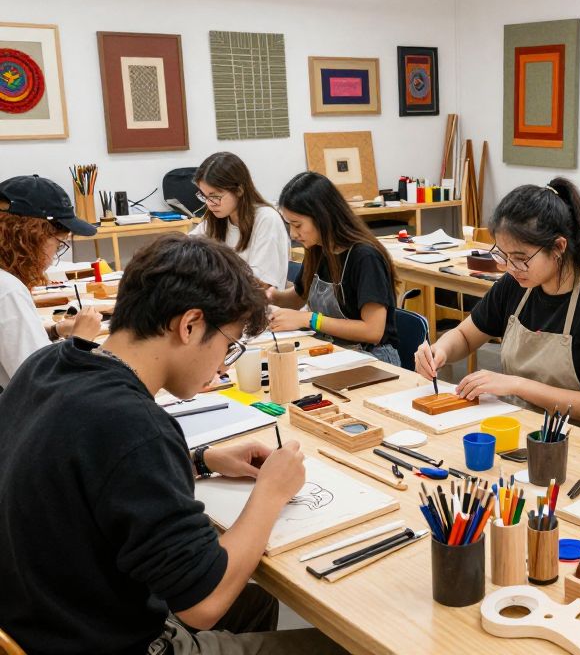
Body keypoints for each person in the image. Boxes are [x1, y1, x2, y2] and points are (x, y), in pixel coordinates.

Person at [0, 234, 343, 654]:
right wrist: (271, 492)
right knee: (342, 646)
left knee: (255, 602)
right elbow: (205, 603)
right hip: (101, 638)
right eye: (228, 346)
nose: (221, 366)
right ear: (190, 324)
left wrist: (199, 460)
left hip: (38, 616)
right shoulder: (136, 424)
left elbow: (89, 464)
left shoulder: (49, 363)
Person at [415, 178, 580, 439]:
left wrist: (518, 385)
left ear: (558, 247)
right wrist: (439, 350)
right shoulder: (515, 285)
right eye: (503, 256)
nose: (510, 268)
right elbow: (464, 335)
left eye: (521, 259)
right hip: (519, 427)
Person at [268, 171, 400, 365]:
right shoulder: (318, 248)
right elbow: (298, 297)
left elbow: (373, 331)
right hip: (335, 350)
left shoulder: (365, 257)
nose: (293, 234)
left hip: (374, 357)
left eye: (297, 225)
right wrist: (270, 296)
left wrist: (310, 320)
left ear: (322, 216)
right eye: (289, 225)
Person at [0, 175, 102, 390]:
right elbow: (44, 383)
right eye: (59, 244)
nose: (55, 255)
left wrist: (54, 330)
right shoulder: (7, 289)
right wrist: (80, 341)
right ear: (30, 236)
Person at [191, 152, 290, 289]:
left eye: (215, 196)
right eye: (204, 196)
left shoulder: (266, 219)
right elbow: (186, 250)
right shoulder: (216, 220)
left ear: (239, 190)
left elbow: (262, 284)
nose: (209, 203)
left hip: (257, 304)